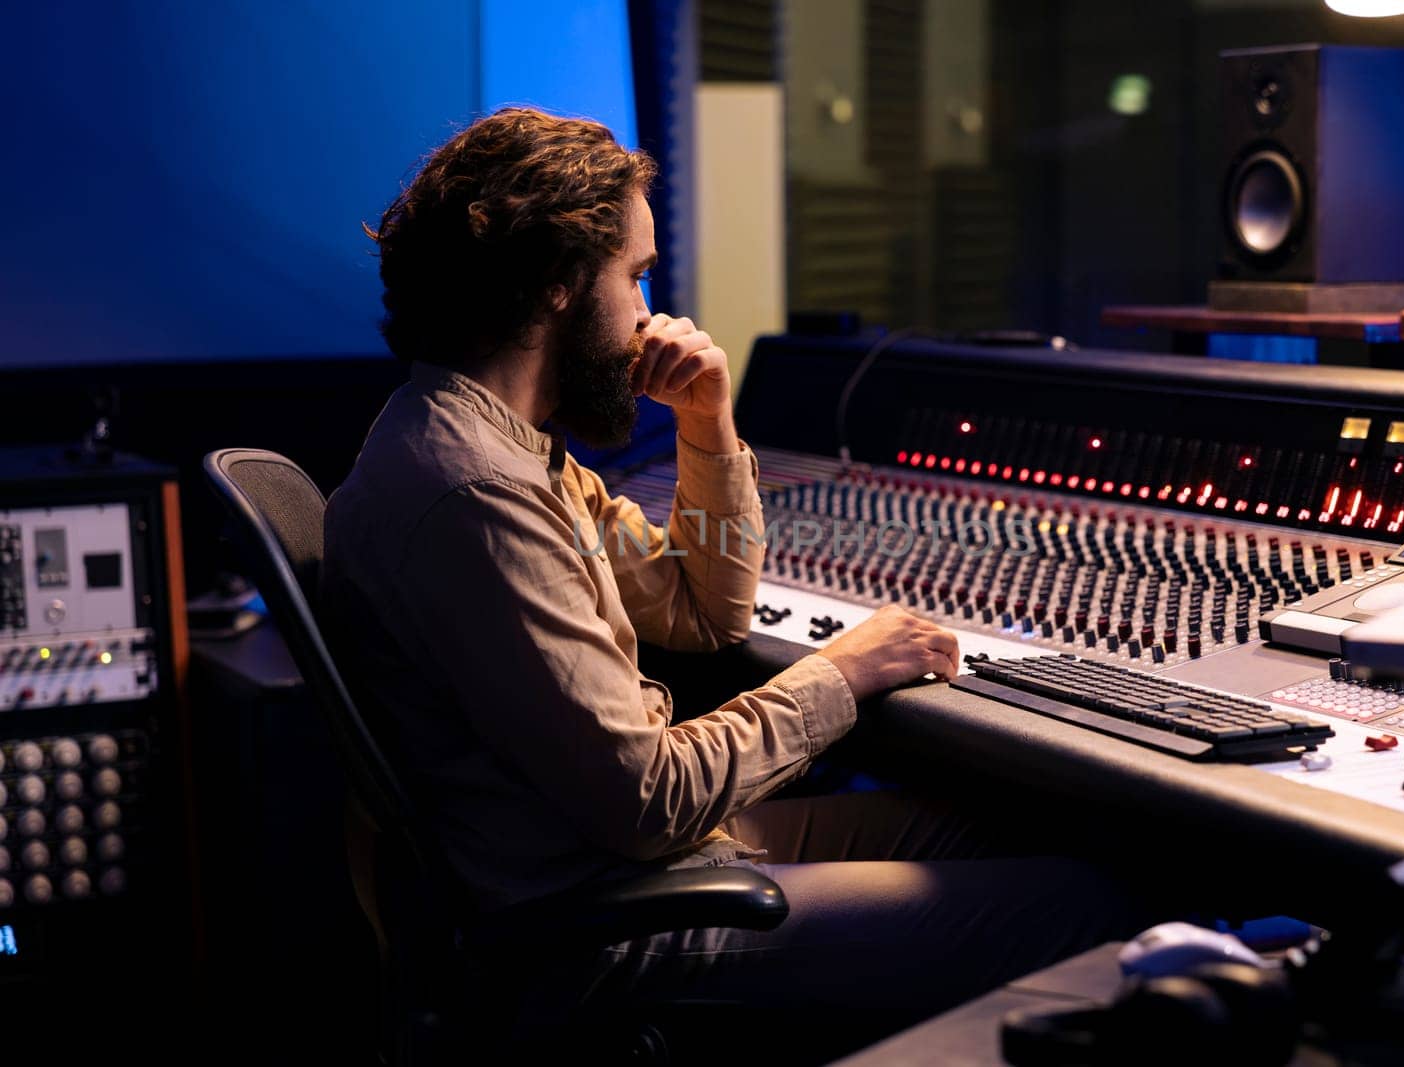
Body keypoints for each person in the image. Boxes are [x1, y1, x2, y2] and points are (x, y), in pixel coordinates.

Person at [322, 106, 1148, 1053]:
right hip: (601, 922)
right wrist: (842, 674)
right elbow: (649, 798)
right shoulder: (476, 494)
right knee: (1090, 901)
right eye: (633, 275)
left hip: (619, 863)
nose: (647, 309)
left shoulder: (499, 444)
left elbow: (705, 609)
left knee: (990, 829)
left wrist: (706, 423)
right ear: (555, 287)